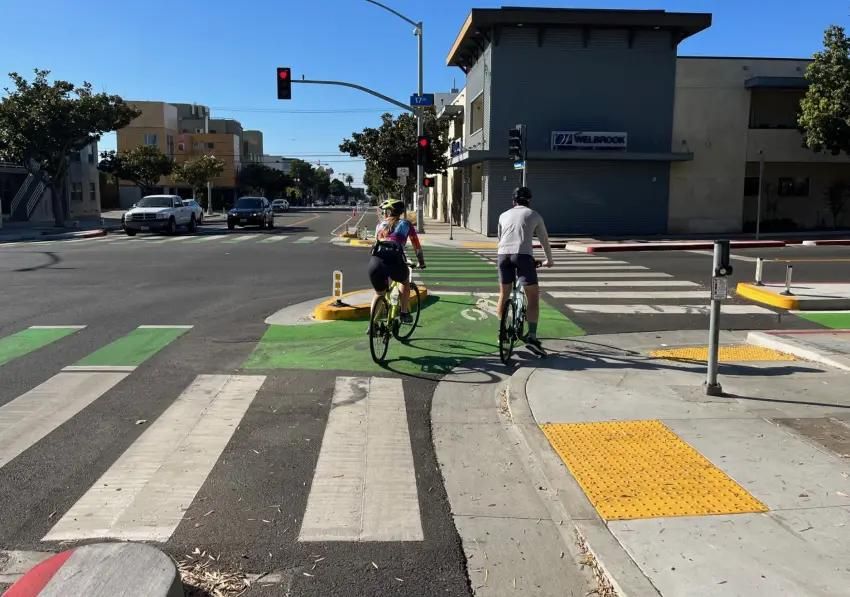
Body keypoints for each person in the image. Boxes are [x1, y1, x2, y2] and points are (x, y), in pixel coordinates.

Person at [496, 186, 553, 349]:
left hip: (503, 256)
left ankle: (502, 333)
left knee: (503, 294)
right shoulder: (534, 215)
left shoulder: (503, 215)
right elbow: (544, 240)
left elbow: (500, 239)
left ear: (513, 201)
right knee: (533, 297)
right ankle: (532, 336)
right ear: (529, 201)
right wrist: (549, 260)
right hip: (523, 256)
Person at [368, 198, 426, 324]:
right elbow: (417, 246)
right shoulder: (406, 224)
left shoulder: (379, 226)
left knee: (379, 293)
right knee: (404, 281)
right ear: (400, 212)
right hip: (394, 261)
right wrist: (421, 261)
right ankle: (404, 313)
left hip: (375, 263)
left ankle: (372, 325)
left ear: (389, 212)